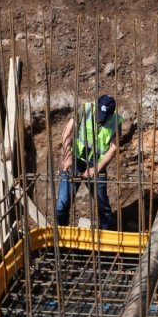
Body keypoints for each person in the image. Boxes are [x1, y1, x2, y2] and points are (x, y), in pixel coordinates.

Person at [55, 94, 125, 230]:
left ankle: (106, 236)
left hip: (96, 163)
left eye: (104, 116)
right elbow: (66, 133)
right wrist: (68, 156)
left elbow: (114, 148)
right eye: (99, 113)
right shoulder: (84, 109)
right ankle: (62, 236)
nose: (100, 118)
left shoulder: (115, 121)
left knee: (103, 206)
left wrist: (97, 168)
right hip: (75, 159)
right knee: (61, 204)